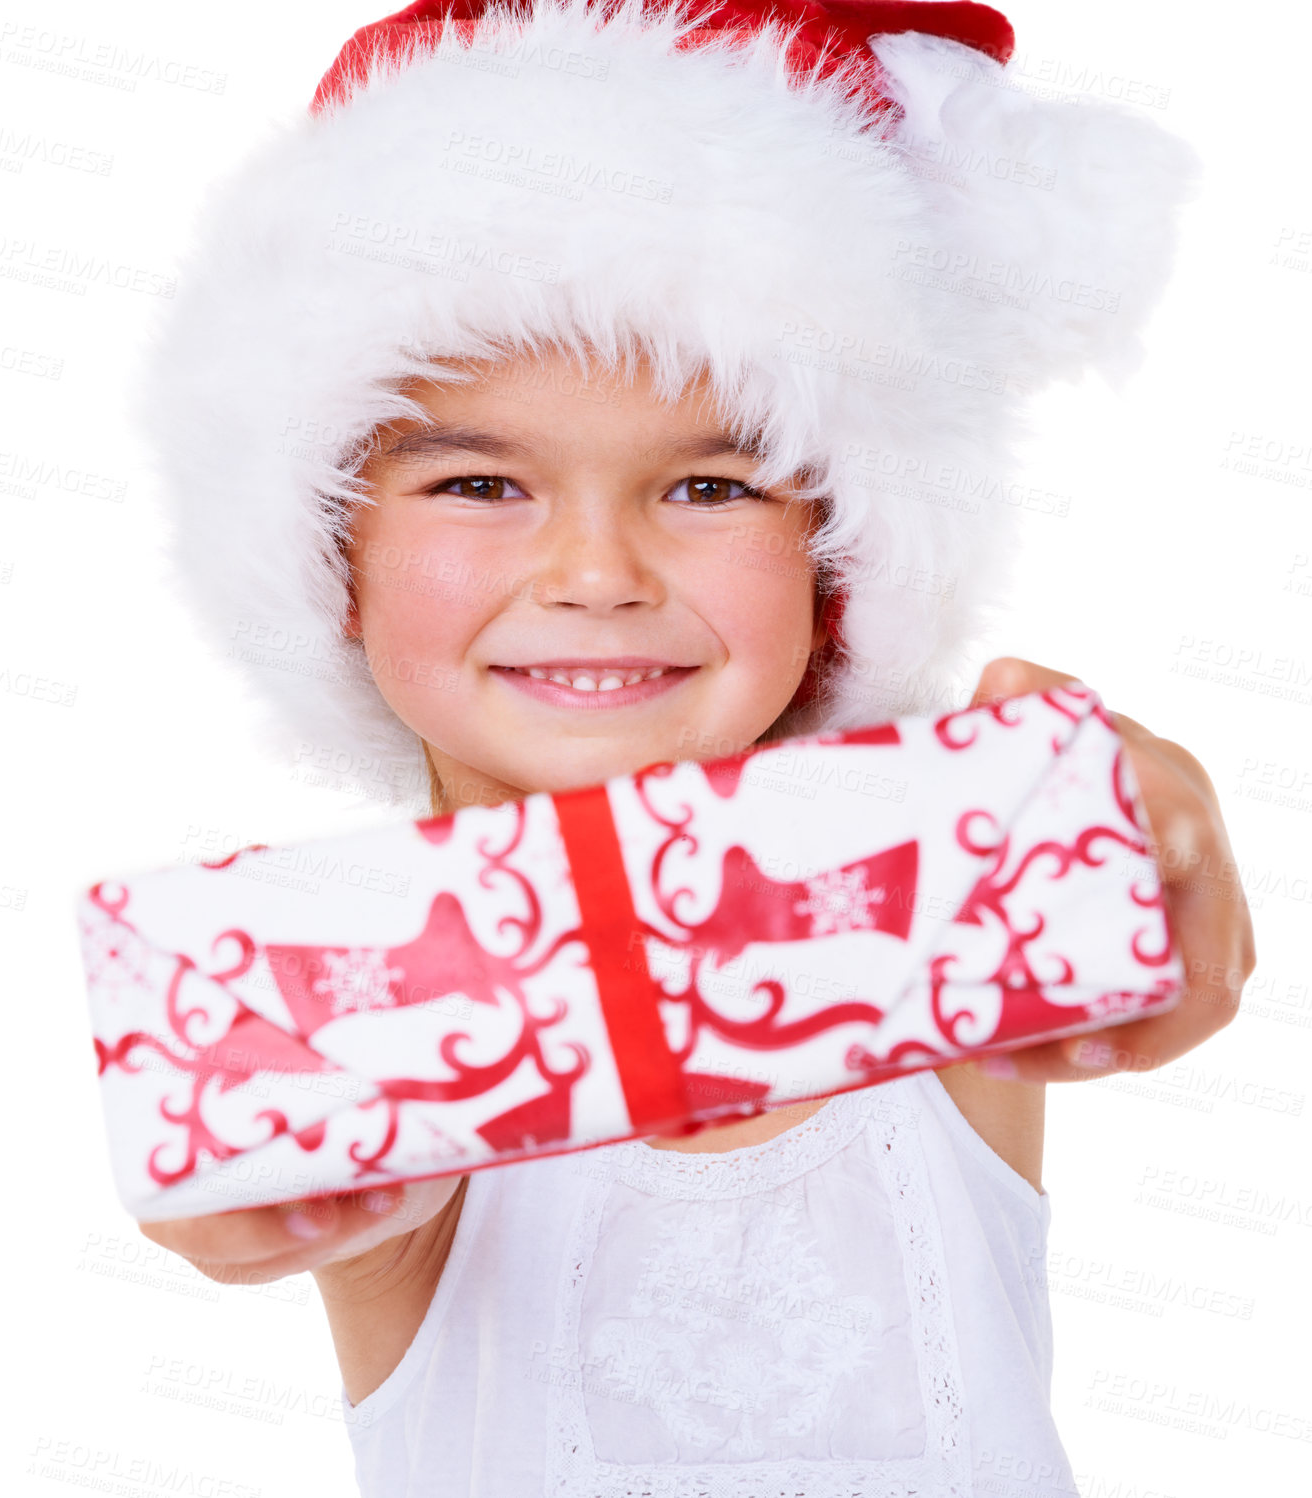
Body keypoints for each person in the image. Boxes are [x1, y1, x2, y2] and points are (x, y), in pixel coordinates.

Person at [134, 2, 1255, 1493]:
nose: (596, 571)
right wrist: (252, 1170)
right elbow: (276, 1175)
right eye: (478, 481)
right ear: (330, 554)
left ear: (837, 550)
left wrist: (1148, 833)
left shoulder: (935, 908)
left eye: (712, 486)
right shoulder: (388, 1011)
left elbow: (1116, 832)